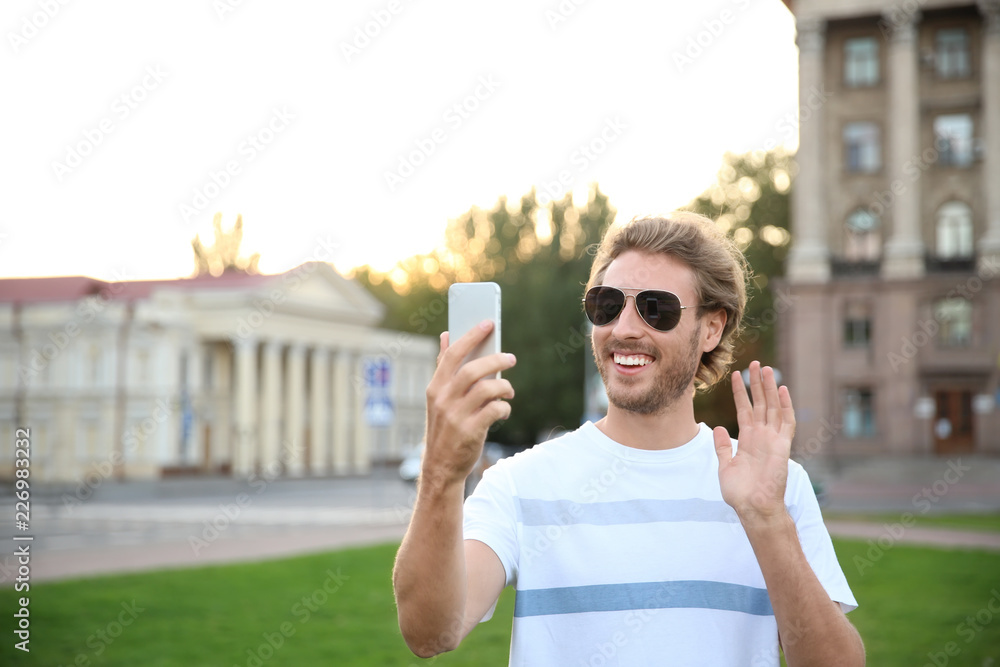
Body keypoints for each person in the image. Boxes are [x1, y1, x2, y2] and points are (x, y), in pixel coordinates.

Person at [393, 212, 864, 666]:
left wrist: (767, 521)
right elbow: (429, 633)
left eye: (656, 309)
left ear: (712, 328)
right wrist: (440, 473)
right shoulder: (520, 484)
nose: (624, 329)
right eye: (607, 305)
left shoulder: (774, 488)